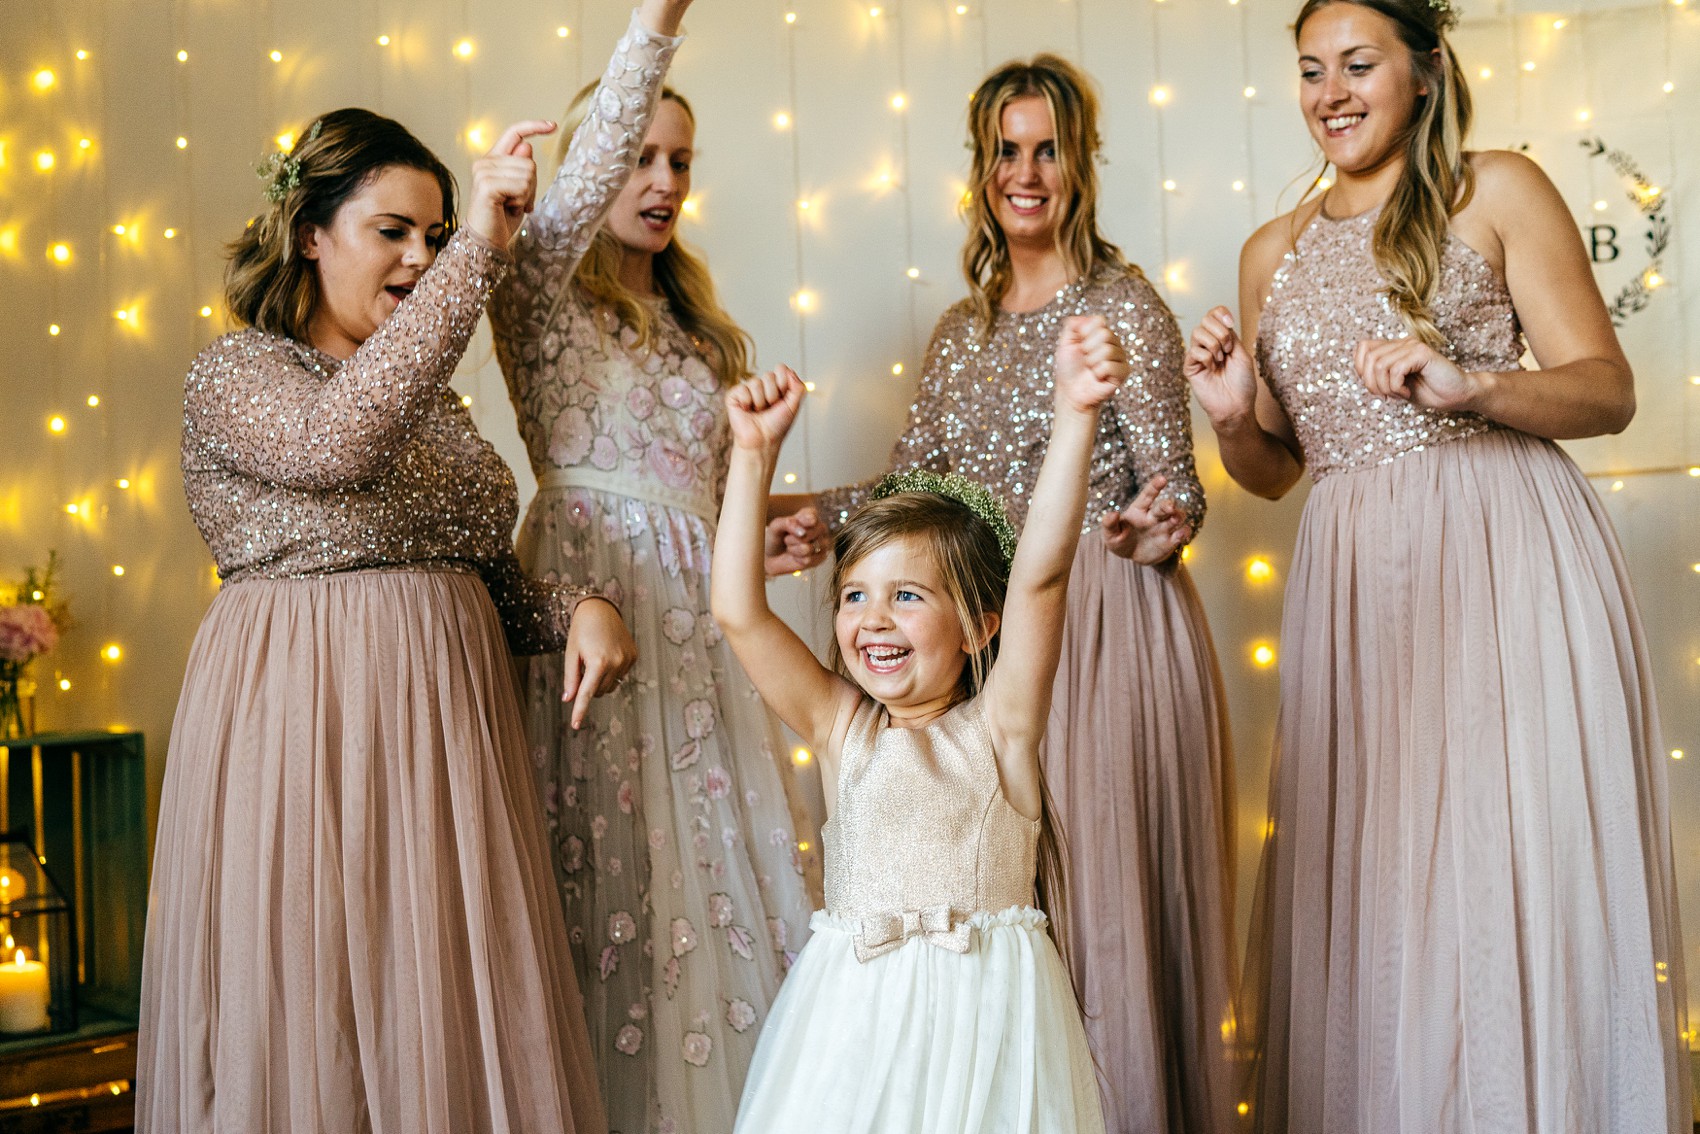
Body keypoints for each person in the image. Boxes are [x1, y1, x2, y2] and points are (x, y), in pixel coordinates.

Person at [137, 6, 692, 1129]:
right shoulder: (238, 373)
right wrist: (481, 252)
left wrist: (573, 603)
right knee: (319, 1011)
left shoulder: (432, 403)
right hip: (308, 727)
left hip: (449, 737)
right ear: (308, 233)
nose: (420, 259)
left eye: (436, 237)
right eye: (393, 230)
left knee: (440, 1007)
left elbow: (473, 568)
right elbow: (334, 446)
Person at [1184, 0, 1689, 1129]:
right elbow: (1272, 471)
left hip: (1501, 558)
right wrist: (1225, 418)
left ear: (1421, 68)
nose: (1329, 93)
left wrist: (1473, 388)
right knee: (1381, 874)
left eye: (1356, 65)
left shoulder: (1493, 188)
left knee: (1502, 862)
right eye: (1310, 71)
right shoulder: (1272, 248)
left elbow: (1604, 390)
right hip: (1355, 583)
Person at [812, 55, 1238, 1133]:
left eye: (1046, 148)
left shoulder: (1119, 301)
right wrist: (810, 517)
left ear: (1078, 163)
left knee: (1099, 895)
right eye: (1006, 150)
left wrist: (1160, 523)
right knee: (1014, 892)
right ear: (981, 167)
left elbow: (1172, 482)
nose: (1025, 171)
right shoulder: (966, 330)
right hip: (996, 633)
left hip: (1106, 617)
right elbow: (911, 484)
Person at [488, 59, 819, 1134]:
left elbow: (709, 504)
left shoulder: (692, 329)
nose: (665, 178)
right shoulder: (540, 293)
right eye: (639, 155)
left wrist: (776, 525)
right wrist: (659, 27)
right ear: (596, 162)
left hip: (696, 627)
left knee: (702, 873)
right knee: (601, 871)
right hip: (592, 597)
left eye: (680, 161)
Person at [713, 316, 1127, 1133]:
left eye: (908, 597)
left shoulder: (1000, 728)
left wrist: (1075, 415)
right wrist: (752, 457)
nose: (874, 620)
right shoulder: (843, 731)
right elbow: (737, 611)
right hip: (854, 1020)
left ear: (978, 626)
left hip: (988, 1021)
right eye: (856, 597)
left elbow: (1041, 577)